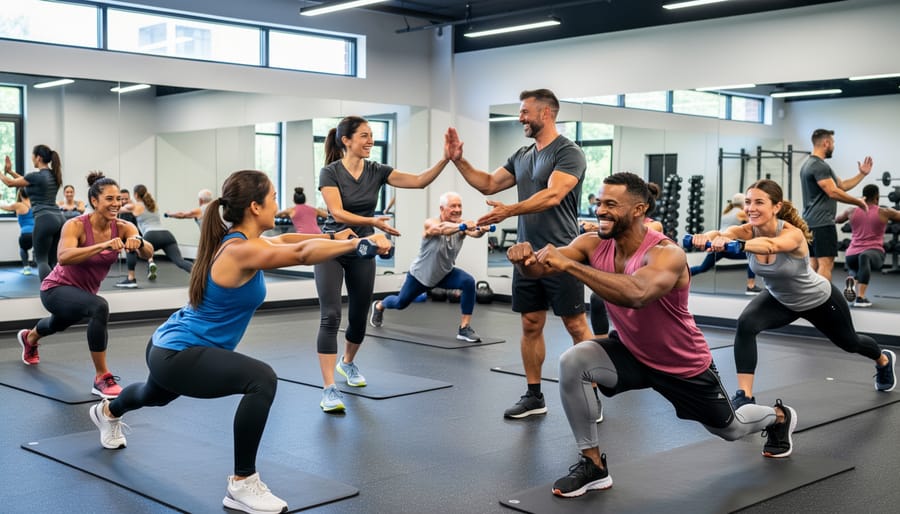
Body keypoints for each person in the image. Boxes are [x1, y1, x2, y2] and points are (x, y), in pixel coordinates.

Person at [88, 169, 389, 514]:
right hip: (178, 352)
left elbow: (292, 241)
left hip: (167, 347)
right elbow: (303, 254)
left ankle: (107, 411)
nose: (278, 203)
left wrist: (337, 239)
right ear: (255, 207)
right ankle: (242, 483)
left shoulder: (240, 241)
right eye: (273, 197)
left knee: (152, 395)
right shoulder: (238, 252)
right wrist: (358, 244)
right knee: (261, 379)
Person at [506, 172, 796, 498]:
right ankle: (593, 466)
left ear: (638, 210)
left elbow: (637, 293)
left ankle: (779, 416)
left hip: (682, 364)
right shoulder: (590, 244)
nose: (600, 210)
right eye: (599, 202)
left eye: (611, 204)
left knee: (731, 428)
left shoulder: (666, 254)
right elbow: (541, 268)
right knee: (574, 361)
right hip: (631, 351)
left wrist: (569, 267)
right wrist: (525, 262)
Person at [446, 89, 593, 419]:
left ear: (546, 114)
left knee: (575, 325)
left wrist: (509, 211)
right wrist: (459, 160)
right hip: (526, 255)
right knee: (530, 323)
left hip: (562, 252)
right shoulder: (523, 155)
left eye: (525, 112)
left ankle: (592, 393)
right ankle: (534, 395)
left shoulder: (569, 152)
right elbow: (487, 183)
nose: (520, 118)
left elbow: (553, 195)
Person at [689, 179, 896, 410]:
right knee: (746, 324)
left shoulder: (792, 234)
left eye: (759, 202)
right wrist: (706, 238)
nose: (751, 208)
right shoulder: (744, 231)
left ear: (776, 207)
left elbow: (770, 246)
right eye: (748, 202)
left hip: (818, 299)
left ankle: (884, 360)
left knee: (850, 343)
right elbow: (722, 233)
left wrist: (739, 245)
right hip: (780, 299)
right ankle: (744, 396)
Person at [315, 115, 451, 413]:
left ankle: (347, 363)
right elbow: (336, 213)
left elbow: (417, 181)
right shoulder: (330, 172)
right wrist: (373, 222)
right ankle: (328, 389)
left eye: (371, 135)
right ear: (346, 140)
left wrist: (445, 159)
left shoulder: (377, 170)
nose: (370, 141)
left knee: (360, 312)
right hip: (332, 246)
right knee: (331, 315)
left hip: (364, 248)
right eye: (363, 135)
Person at [16, 172, 154, 397]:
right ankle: (102, 377)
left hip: (81, 294)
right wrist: (103, 246)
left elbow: (148, 252)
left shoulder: (123, 226)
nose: (116, 203)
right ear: (94, 201)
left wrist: (138, 242)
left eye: (118, 198)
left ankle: (29, 338)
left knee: (57, 324)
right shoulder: (75, 225)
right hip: (55, 289)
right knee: (99, 307)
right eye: (109, 199)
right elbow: (63, 257)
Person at [368, 191, 486, 342]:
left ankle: (464, 328)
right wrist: (463, 226)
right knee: (400, 303)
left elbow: (474, 233)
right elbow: (442, 229)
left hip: (445, 274)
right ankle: (379, 305)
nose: (457, 209)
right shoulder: (431, 223)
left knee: (468, 282)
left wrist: (481, 230)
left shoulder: (461, 225)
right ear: (442, 209)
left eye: (459, 205)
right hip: (420, 276)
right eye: (453, 206)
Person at [799, 128, 871, 282]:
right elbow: (833, 192)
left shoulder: (810, 165)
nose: (834, 146)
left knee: (813, 263)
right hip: (822, 223)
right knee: (826, 264)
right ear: (826, 143)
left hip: (809, 223)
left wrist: (862, 174)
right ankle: (822, 301)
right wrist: (858, 202)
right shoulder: (819, 166)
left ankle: (809, 300)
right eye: (833, 143)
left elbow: (841, 186)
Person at [2, 147, 66, 280]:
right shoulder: (54, 175)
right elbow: (25, 180)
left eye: (32, 155)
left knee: (41, 260)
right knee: (52, 260)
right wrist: (9, 171)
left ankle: (48, 291)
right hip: (59, 219)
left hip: (45, 219)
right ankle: (57, 289)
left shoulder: (36, 176)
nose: (32, 158)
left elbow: (9, 183)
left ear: (38, 157)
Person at [835, 184, 900, 307]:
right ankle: (860, 298)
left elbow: (837, 219)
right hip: (872, 252)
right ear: (877, 197)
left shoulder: (851, 211)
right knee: (864, 258)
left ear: (863, 197)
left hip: (851, 254)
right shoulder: (884, 211)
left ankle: (852, 283)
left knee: (855, 269)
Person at [689, 192, 761, 295]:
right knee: (752, 254)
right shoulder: (741, 213)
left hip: (717, 244)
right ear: (743, 203)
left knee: (702, 268)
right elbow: (753, 224)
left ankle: (679, 276)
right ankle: (750, 286)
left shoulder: (726, 212)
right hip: (726, 245)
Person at [121, 184, 194, 280]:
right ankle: (203, 275)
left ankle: (131, 279)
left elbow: (117, 210)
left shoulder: (134, 206)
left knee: (130, 247)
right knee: (180, 261)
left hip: (152, 235)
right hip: (167, 235)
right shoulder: (152, 205)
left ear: (135, 195)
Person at [0, 187, 35, 275]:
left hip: (26, 233)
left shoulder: (18, 205)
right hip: (37, 232)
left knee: (23, 249)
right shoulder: (35, 204)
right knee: (39, 250)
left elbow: (4, 207)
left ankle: (26, 268)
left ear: (19, 194)